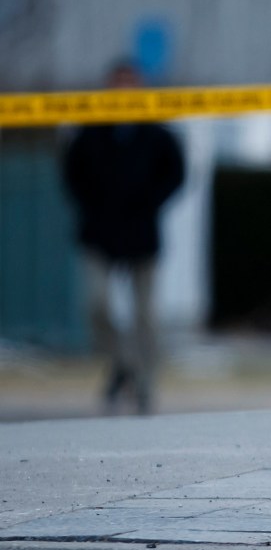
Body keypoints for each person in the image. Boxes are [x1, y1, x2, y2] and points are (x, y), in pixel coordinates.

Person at [62, 60, 186, 414]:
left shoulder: (156, 132)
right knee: (96, 303)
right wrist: (95, 206)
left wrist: (149, 203)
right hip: (99, 233)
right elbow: (71, 174)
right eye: (118, 83)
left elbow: (176, 173)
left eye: (129, 83)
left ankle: (144, 383)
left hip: (142, 232)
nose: (123, 90)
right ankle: (123, 364)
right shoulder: (90, 130)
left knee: (147, 315)